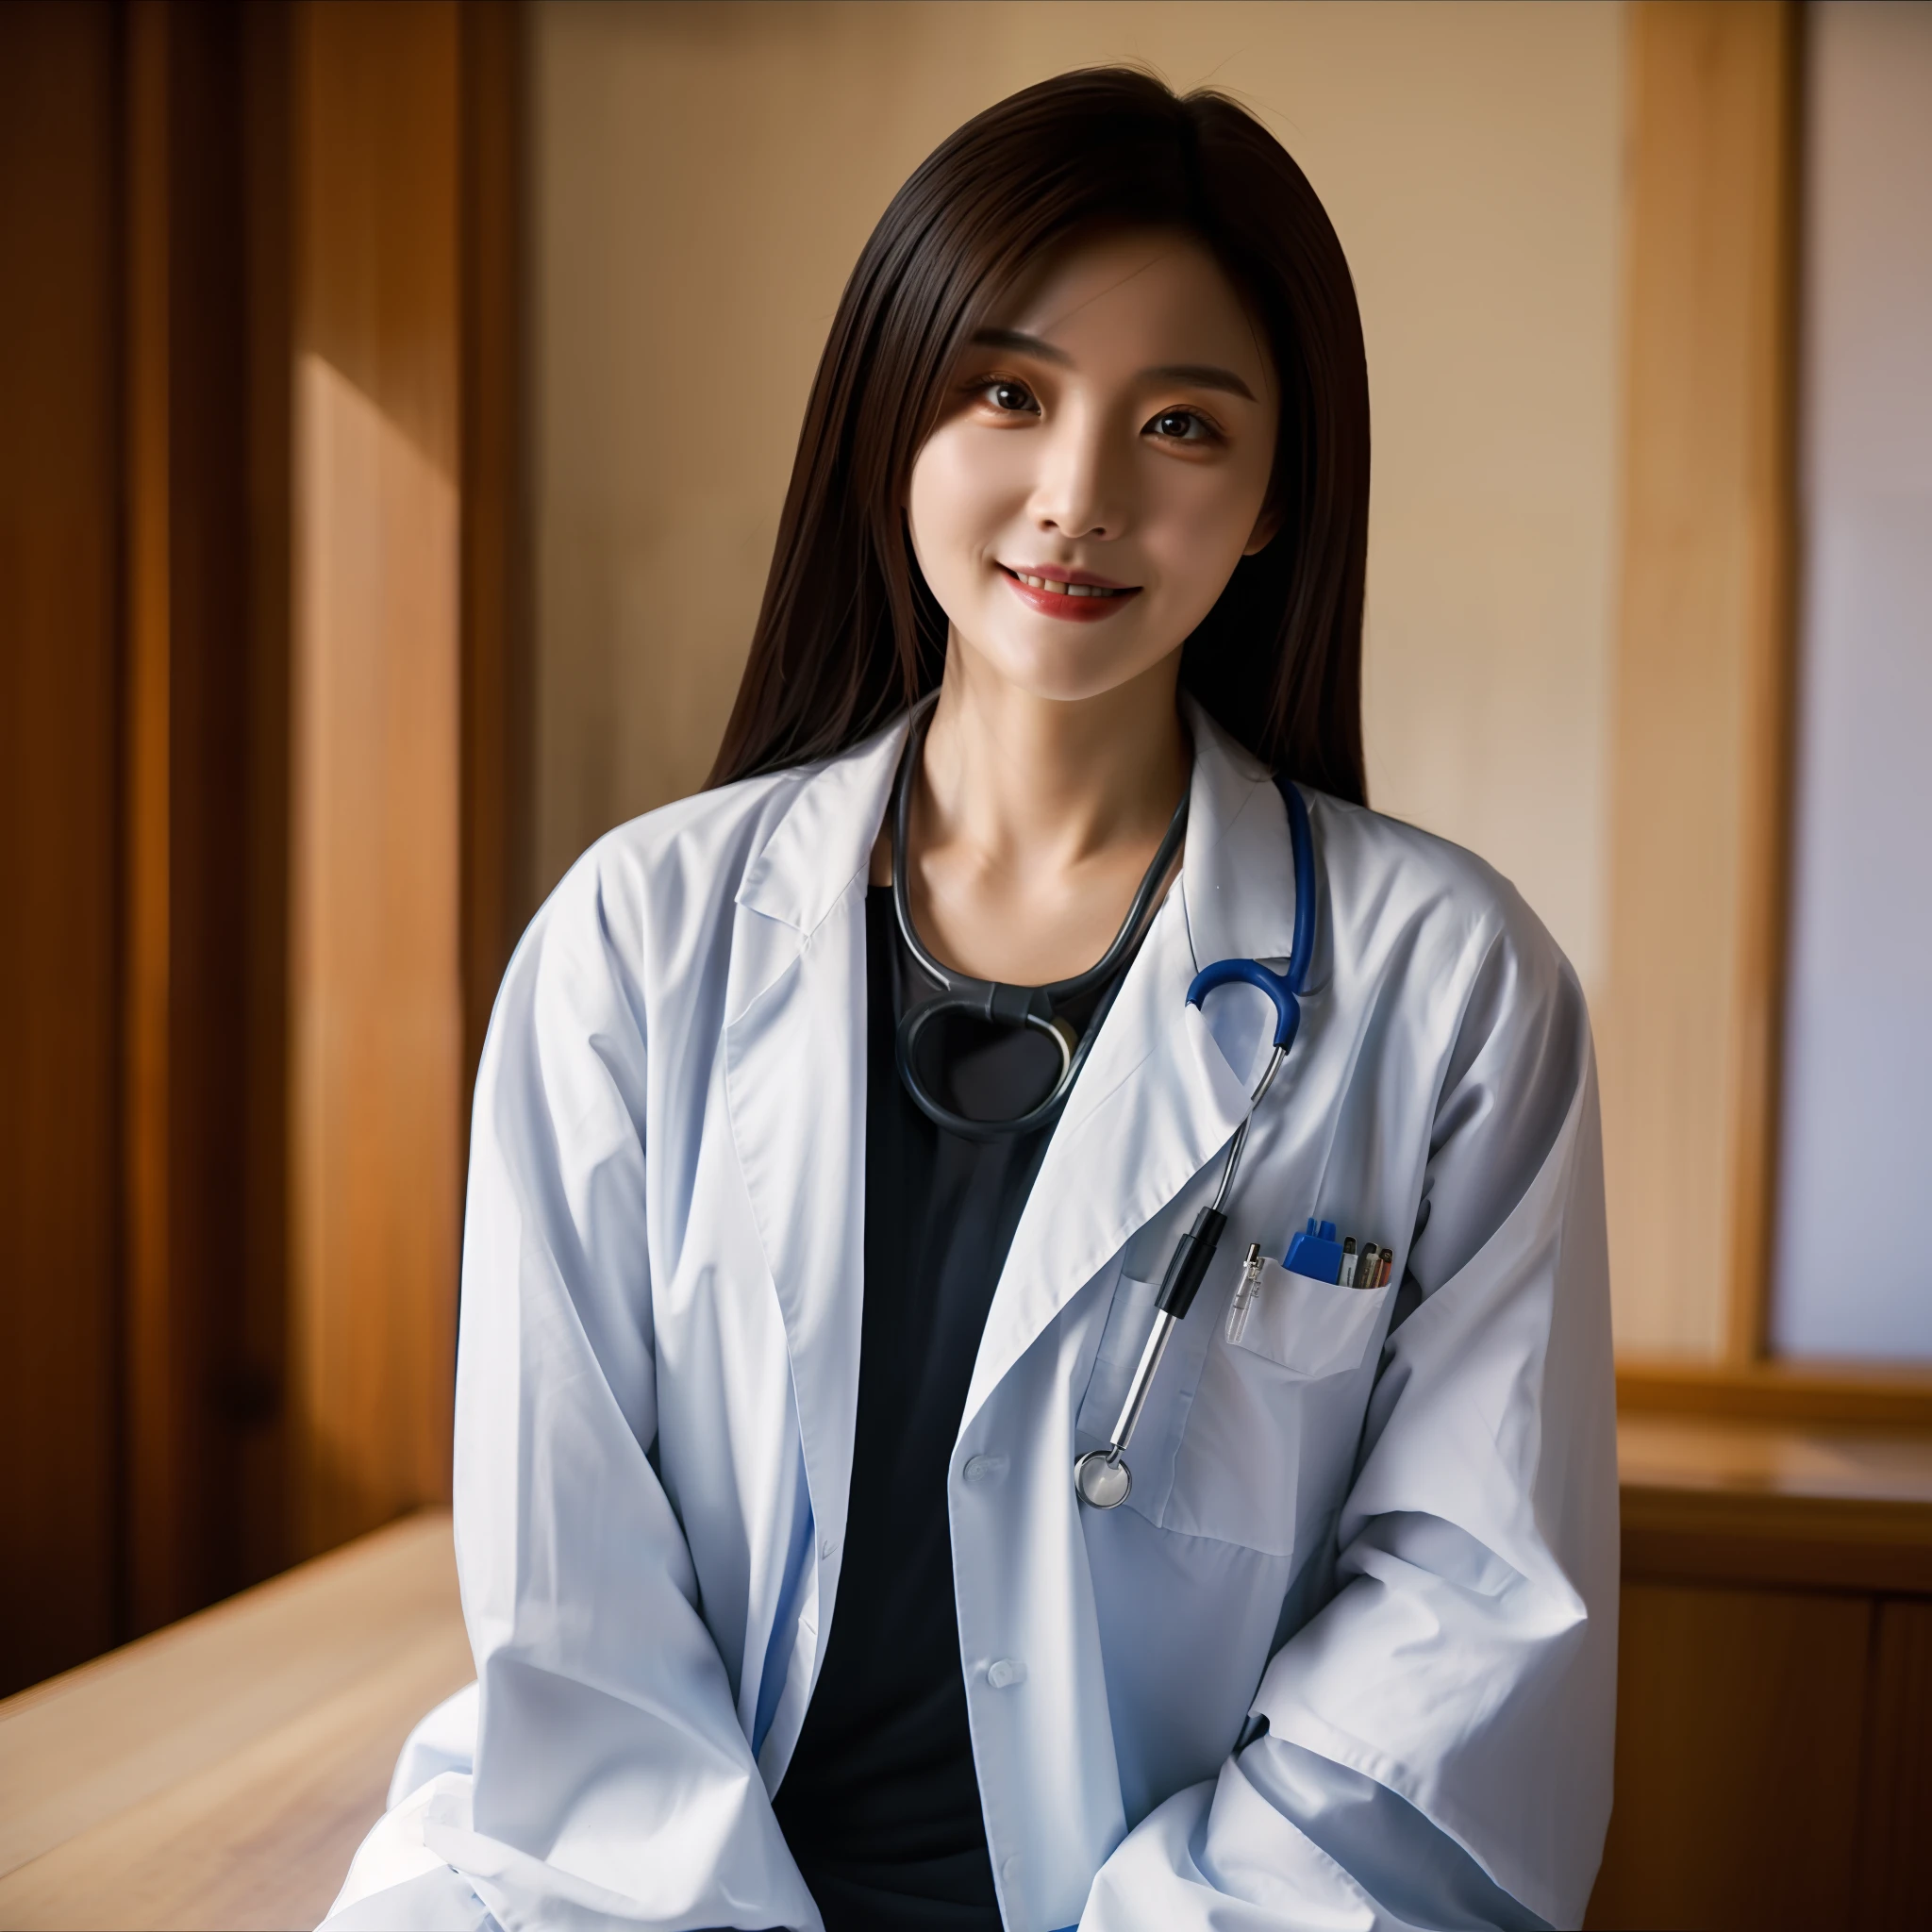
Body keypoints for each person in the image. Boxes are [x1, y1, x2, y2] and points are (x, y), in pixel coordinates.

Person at [324, 67, 1615, 1932]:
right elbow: (574, 1592)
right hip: (628, 1882)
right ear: (888, 420)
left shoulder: (1449, 987)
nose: (1076, 496)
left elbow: (1460, 1625)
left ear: (1269, 499)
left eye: (1180, 422)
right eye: (1004, 392)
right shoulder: (635, 939)